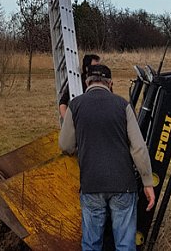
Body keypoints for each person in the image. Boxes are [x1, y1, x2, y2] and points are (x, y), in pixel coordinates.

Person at [59, 63, 155, 251]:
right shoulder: (123, 105)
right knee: (125, 244)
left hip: (92, 184)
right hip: (123, 186)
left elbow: (65, 145)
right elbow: (139, 148)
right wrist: (148, 182)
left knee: (92, 243)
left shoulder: (75, 105)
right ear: (110, 83)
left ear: (87, 83)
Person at [59, 53, 101, 119]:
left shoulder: (104, 81)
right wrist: (68, 121)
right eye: (95, 66)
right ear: (86, 68)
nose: (98, 69)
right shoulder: (76, 81)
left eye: (99, 66)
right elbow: (63, 102)